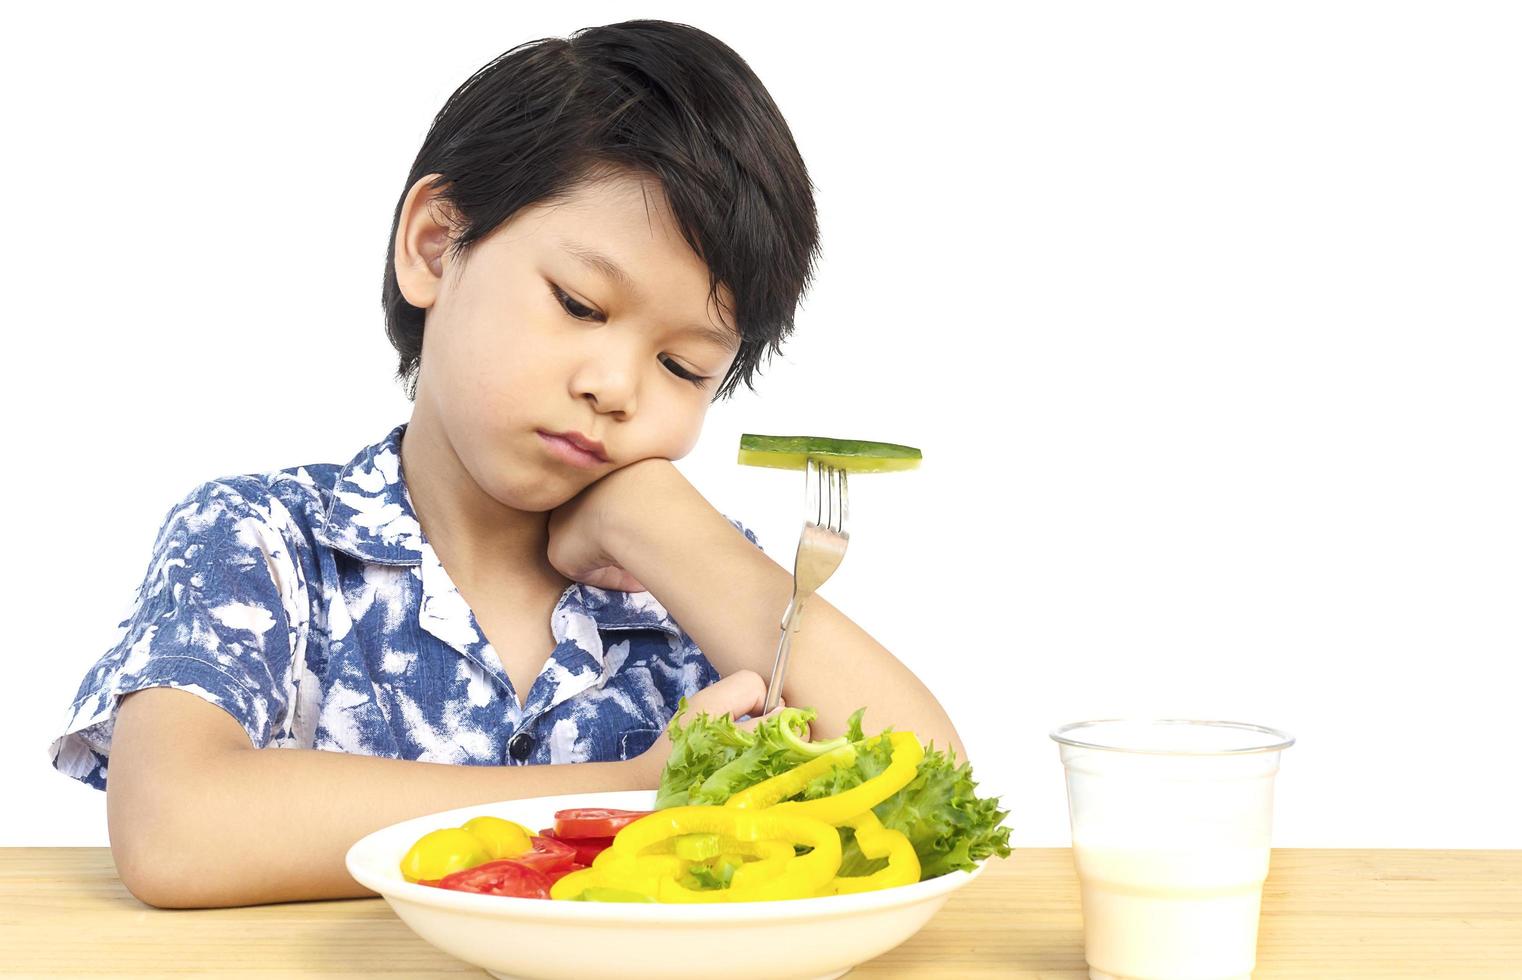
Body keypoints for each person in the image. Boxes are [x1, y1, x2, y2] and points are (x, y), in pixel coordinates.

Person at [47, 19, 965, 909]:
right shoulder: (269, 540)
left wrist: (664, 526)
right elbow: (175, 828)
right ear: (436, 246)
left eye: (682, 366)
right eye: (578, 304)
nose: (616, 387)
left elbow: (932, 802)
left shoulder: (689, 587)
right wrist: (624, 795)